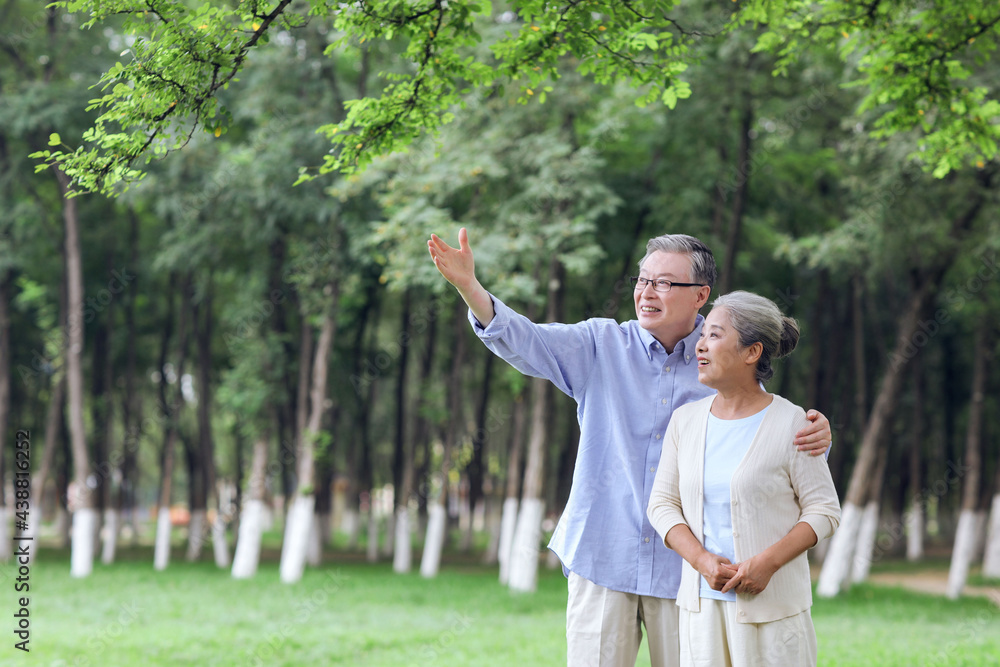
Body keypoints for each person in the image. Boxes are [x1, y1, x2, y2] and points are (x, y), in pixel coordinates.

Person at [427, 228, 832, 667]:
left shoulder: (720, 361)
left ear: (700, 294)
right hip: (602, 556)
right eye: (643, 280)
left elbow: (764, 449)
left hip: (687, 574)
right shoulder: (600, 345)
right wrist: (471, 287)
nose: (647, 292)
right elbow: (527, 340)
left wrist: (815, 434)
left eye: (664, 283)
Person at [646, 291, 841, 667]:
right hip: (701, 611)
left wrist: (767, 563)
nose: (701, 345)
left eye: (715, 336)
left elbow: (824, 511)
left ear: (752, 353)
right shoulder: (685, 422)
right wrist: (701, 560)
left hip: (774, 615)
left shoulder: (794, 423)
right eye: (703, 335)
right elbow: (662, 505)